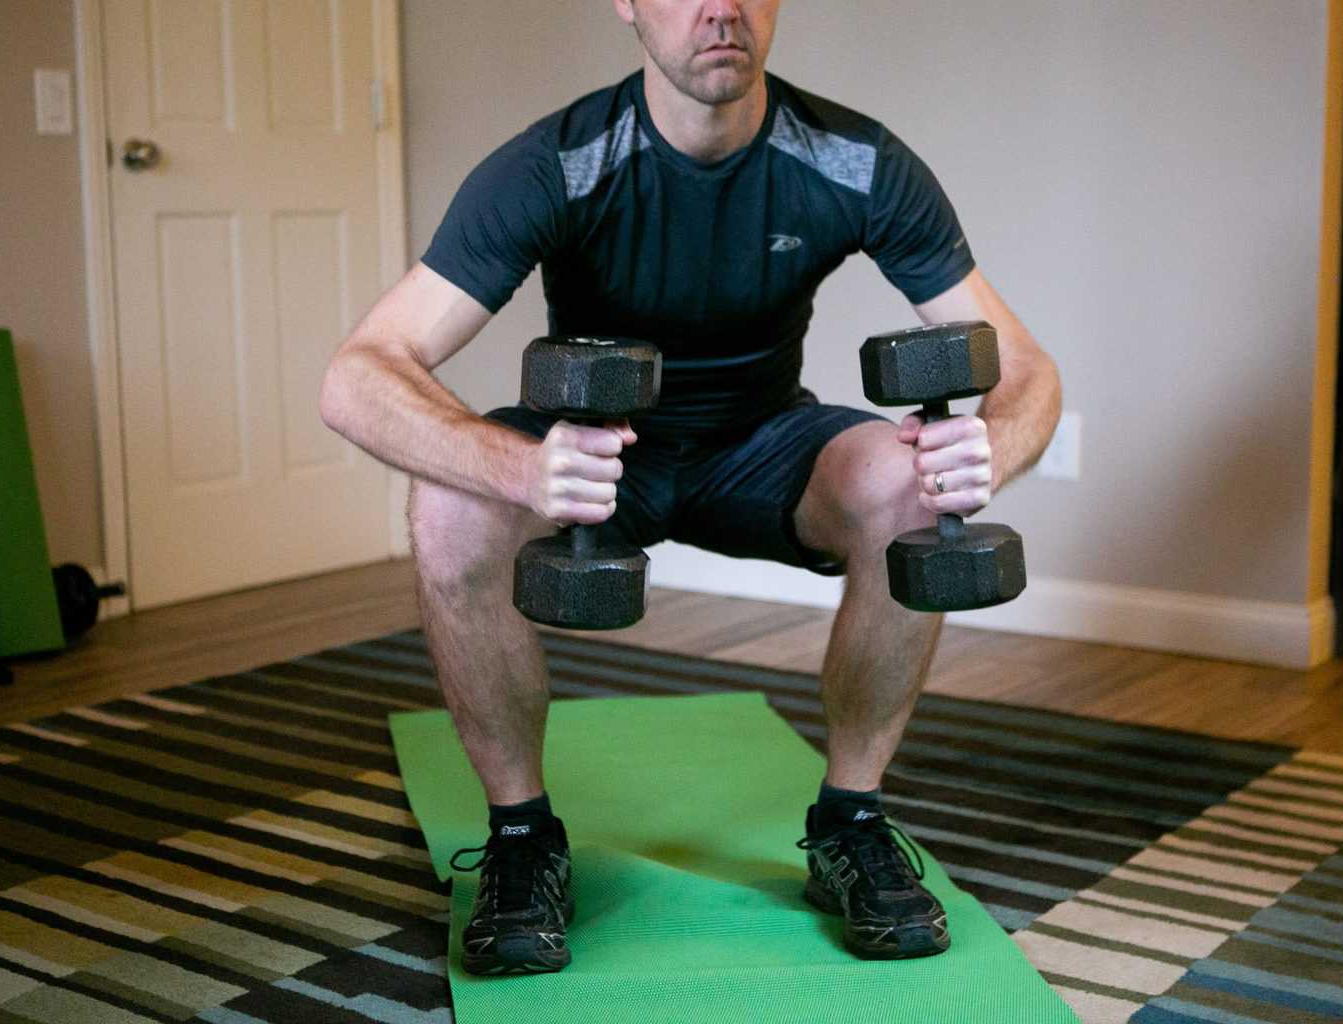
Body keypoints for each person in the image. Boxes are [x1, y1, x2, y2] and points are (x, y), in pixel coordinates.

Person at [321, 0, 1061, 975]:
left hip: (763, 446)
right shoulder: (556, 164)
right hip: (598, 458)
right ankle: (520, 837)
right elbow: (359, 374)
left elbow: (1026, 368)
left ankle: (850, 820)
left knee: (913, 483)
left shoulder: (856, 161)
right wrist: (518, 465)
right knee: (450, 506)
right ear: (626, 3)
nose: (719, 7)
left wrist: (993, 448)